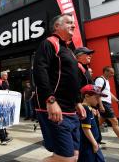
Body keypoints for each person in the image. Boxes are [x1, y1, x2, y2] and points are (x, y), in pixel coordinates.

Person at [33, 13, 86, 162]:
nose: (73, 25)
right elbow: (39, 71)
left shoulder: (69, 51)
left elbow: (72, 80)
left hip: (71, 111)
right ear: (57, 26)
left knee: (75, 156)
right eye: (69, 23)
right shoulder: (50, 43)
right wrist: (50, 100)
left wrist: (77, 102)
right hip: (55, 109)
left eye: (73, 23)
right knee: (65, 158)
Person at [78, 84, 106, 162]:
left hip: (91, 143)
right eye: (96, 97)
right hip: (88, 144)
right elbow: (85, 128)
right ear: (86, 96)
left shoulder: (89, 109)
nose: (98, 100)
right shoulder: (85, 109)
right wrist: (94, 143)